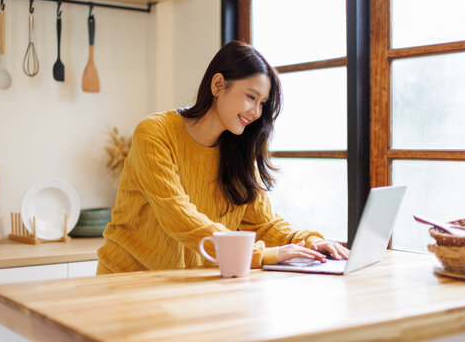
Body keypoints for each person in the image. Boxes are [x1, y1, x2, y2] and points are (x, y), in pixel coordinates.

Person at [96, 41, 350, 274]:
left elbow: (263, 223)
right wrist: (264, 255)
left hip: (185, 285)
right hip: (126, 278)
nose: (256, 112)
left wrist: (311, 241)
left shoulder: (238, 150)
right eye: (251, 97)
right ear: (218, 85)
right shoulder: (155, 132)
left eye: (262, 103)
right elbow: (178, 216)